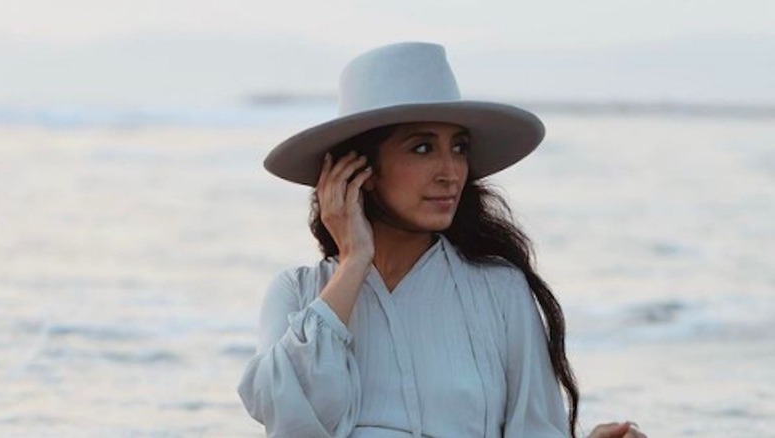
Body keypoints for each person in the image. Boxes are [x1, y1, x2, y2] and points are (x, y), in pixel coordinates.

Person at [238, 42, 646, 438]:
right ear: (358, 169)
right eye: (422, 148)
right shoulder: (297, 292)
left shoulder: (500, 290)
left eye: (459, 148)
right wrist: (354, 259)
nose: (450, 172)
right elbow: (287, 419)